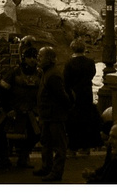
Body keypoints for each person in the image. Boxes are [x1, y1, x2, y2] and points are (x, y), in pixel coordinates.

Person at [0, 46, 40, 169]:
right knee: (1, 132)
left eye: (34, 57)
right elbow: (2, 91)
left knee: (35, 134)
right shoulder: (14, 72)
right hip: (12, 110)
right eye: (29, 57)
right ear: (24, 58)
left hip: (30, 111)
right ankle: (3, 159)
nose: (32, 60)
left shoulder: (39, 73)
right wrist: (7, 108)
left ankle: (23, 157)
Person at [35, 46, 71, 182]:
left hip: (54, 116)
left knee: (59, 146)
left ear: (49, 59)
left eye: (41, 56)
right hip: (48, 115)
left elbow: (62, 96)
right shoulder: (47, 73)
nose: (38, 58)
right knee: (46, 143)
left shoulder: (53, 75)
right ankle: (47, 167)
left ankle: (56, 173)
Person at [63, 41, 101, 152]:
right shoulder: (90, 62)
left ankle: (73, 146)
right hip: (86, 93)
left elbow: (66, 80)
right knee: (86, 119)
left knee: (74, 121)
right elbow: (92, 74)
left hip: (74, 93)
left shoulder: (69, 63)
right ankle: (86, 146)